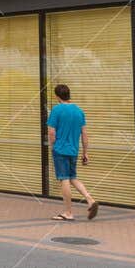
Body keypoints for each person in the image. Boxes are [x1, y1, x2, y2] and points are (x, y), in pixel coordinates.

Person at [46, 83, 98, 221]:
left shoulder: (56, 110)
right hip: (73, 150)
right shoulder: (79, 111)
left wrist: (53, 146)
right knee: (72, 178)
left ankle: (68, 212)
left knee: (64, 179)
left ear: (57, 96)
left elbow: (51, 132)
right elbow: (84, 134)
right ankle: (90, 199)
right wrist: (85, 152)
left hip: (60, 150)